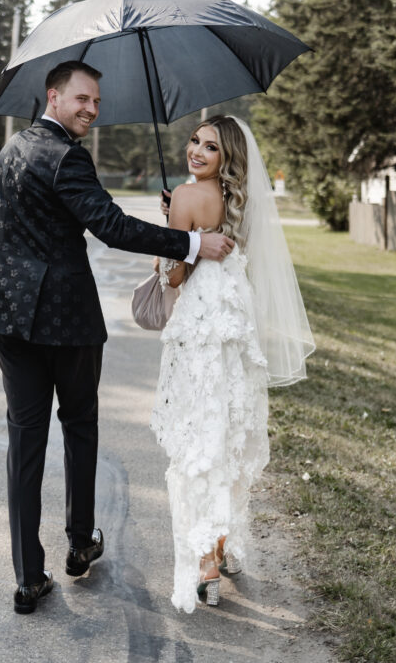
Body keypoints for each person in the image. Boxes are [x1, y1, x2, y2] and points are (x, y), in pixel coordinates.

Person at [0, 61, 234, 614]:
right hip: (67, 320)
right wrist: (191, 245)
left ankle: (27, 577)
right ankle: (81, 542)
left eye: (97, 102)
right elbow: (110, 225)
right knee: (79, 425)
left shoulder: (11, 151)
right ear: (53, 97)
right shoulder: (66, 156)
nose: (91, 109)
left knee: (24, 440)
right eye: (82, 99)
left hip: (12, 320)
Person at [150, 115, 315, 612]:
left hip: (202, 329)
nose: (196, 151)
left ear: (227, 157)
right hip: (236, 327)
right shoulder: (242, 202)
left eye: (211, 148)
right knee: (228, 435)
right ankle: (219, 552)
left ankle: (205, 563)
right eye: (194, 141)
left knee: (201, 439)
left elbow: (175, 277)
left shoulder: (184, 196)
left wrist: (171, 233)